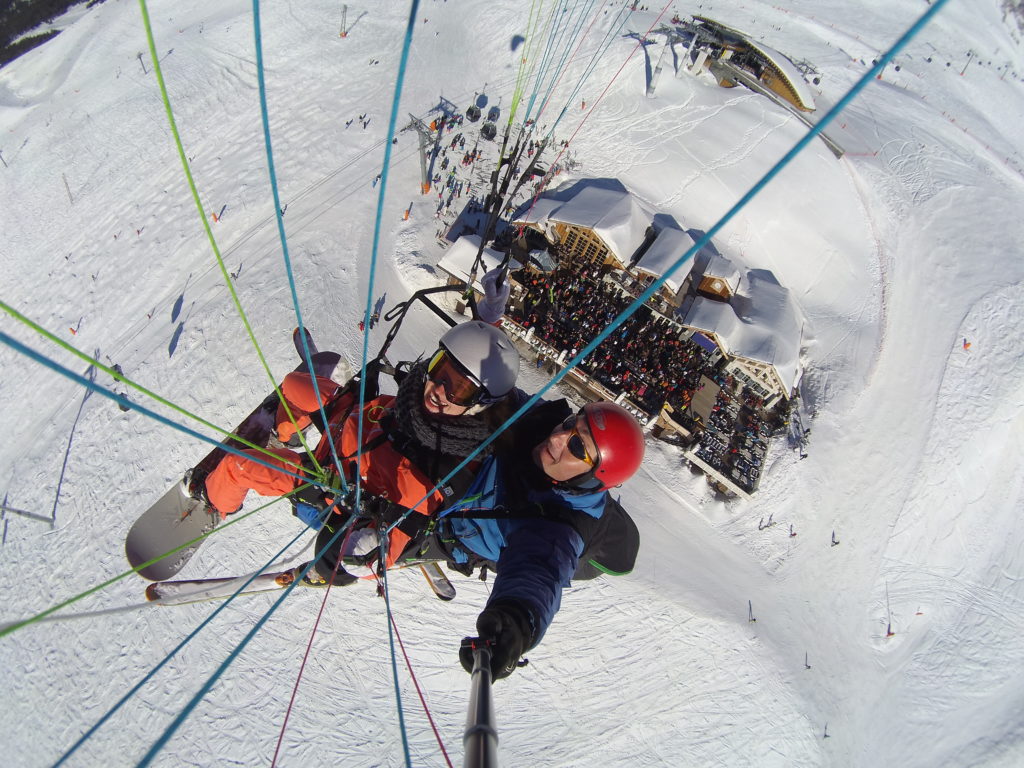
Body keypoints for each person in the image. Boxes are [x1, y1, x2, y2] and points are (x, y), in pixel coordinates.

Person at [195, 317, 521, 578]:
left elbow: (384, 544)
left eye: (459, 390)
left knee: (237, 465)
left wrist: (357, 552)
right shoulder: (416, 405)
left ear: (479, 405)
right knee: (294, 385)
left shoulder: (438, 471)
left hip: (329, 479)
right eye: (440, 370)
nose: (438, 389)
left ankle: (214, 501)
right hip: (353, 420)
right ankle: (287, 432)